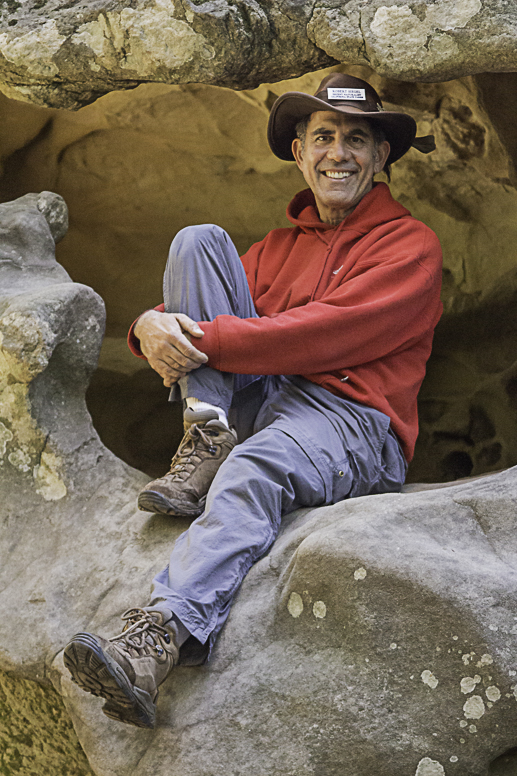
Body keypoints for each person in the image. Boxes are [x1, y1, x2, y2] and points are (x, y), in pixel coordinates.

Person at [63, 73, 442, 728]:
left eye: (357, 138)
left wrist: (200, 341)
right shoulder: (278, 248)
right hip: (260, 402)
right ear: (298, 152)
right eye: (323, 137)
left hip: (349, 422)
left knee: (253, 467)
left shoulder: (410, 246)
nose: (338, 153)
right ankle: (206, 432)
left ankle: (162, 633)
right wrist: (147, 327)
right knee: (198, 244)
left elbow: (322, 336)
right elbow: (196, 314)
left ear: (382, 157)